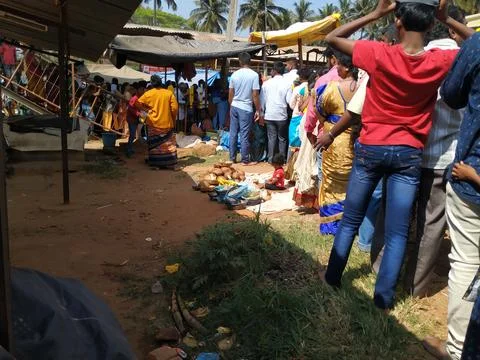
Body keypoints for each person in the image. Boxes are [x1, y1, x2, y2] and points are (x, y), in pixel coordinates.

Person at [316, 0, 473, 310]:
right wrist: (448, 20)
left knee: (350, 220)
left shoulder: (378, 53)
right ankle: (383, 299)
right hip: (409, 154)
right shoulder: (439, 61)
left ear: (398, 22)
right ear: (430, 26)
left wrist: (376, 14)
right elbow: (478, 46)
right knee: (399, 231)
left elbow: (332, 39)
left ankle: (333, 277)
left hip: (371, 149)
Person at [422, 30, 480, 360]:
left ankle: (458, 348)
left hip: (465, 173)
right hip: (451, 163)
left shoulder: (473, 49)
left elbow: (452, 93)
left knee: (465, 263)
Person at [402, 5, 466, 298]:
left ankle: (395, 269)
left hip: (413, 150)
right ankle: (416, 286)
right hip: (447, 155)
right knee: (433, 223)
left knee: (410, 216)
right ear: (454, 29)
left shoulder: (419, 55)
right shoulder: (464, 59)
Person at [316, 53, 358, 235]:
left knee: (332, 182)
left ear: (347, 68)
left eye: (339, 65)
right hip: (356, 140)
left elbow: (320, 110)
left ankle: (331, 225)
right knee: (351, 182)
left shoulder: (331, 89)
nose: (336, 68)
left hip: (333, 140)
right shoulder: (362, 88)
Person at [305, 48, 341, 183]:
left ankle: (325, 204)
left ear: (333, 59)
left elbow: (313, 110)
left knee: (324, 177)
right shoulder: (356, 81)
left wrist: (309, 130)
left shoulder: (324, 81)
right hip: (350, 137)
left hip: (326, 135)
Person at [135, 74, 179, 169]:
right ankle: (171, 164)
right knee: (169, 144)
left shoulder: (149, 94)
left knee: (155, 146)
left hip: (153, 123)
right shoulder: (168, 93)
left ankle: (156, 164)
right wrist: (172, 118)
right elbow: (175, 108)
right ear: (161, 82)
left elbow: (136, 103)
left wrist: (146, 110)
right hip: (167, 123)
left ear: (152, 83)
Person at [228, 52, 261, 165]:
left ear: (240, 62)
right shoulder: (254, 75)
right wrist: (258, 110)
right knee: (244, 134)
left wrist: (231, 105)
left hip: (234, 106)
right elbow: (255, 95)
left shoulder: (234, 75)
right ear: (249, 61)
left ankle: (232, 158)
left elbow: (230, 93)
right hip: (246, 108)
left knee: (233, 133)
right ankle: (245, 159)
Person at [260, 61, 292, 163]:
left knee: (271, 138)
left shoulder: (266, 83)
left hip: (269, 115)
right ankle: (281, 159)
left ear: (273, 71)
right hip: (281, 115)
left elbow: (262, 101)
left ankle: (270, 158)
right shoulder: (287, 84)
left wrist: (261, 114)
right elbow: (289, 101)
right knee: (282, 139)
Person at [126, 82, 146, 157]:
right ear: (137, 90)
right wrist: (138, 113)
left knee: (133, 134)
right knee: (132, 135)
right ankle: (129, 150)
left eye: (143, 89)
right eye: (141, 89)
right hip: (132, 119)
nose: (142, 91)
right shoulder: (134, 98)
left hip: (136, 119)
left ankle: (130, 148)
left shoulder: (140, 98)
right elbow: (130, 109)